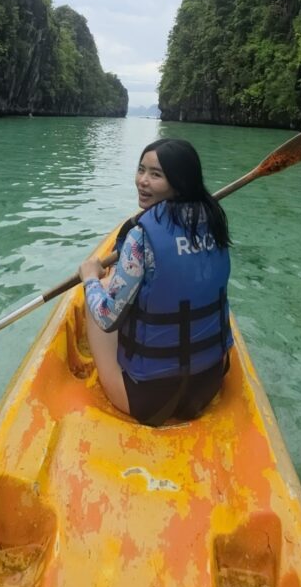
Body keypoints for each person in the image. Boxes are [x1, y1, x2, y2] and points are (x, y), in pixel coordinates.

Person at [79, 139, 232, 427]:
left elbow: (107, 317)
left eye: (156, 174)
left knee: (98, 294)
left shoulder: (140, 237)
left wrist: (89, 278)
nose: (143, 181)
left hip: (149, 401)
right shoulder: (214, 222)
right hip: (207, 387)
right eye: (141, 170)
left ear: (179, 182)